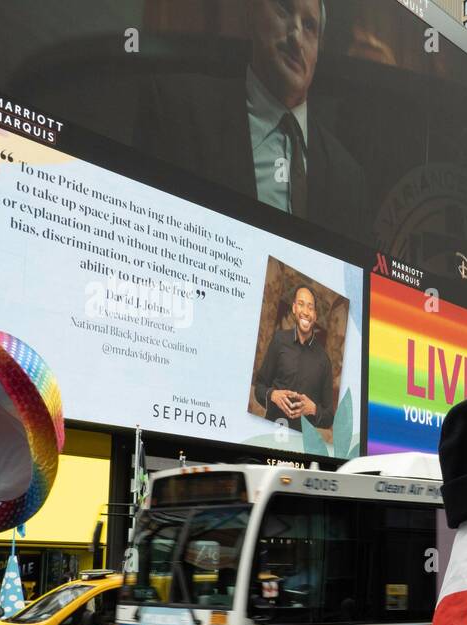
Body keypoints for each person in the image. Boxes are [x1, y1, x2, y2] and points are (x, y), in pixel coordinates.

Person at [135, 0, 368, 237]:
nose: (297, 38)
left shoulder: (348, 178)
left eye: (309, 26)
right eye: (284, 9)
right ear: (252, 12)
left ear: (319, 48)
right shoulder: (179, 111)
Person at [252, 284, 335, 429]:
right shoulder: (279, 340)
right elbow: (259, 387)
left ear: (315, 315)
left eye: (310, 307)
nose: (306, 312)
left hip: (301, 444)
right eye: (301, 305)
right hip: (270, 433)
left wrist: (313, 409)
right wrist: (272, 395)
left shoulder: (324, 360)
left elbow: (329, 417)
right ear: (294, 308)